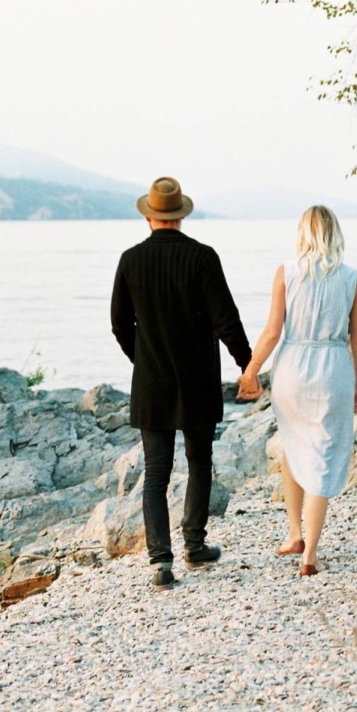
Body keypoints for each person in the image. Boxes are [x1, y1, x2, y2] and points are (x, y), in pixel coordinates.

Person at [110, 175, 253, 589]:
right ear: (180, 216)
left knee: (155, 473)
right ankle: (194, 544)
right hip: (198, 382)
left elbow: (120, 324)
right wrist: (247, 366)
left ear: (149, 217)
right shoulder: (203, 257)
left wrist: (143, 359)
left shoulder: (130, 260)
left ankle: (161, 563)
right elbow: (227, 318)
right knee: (199, 461)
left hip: (151, 383)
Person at [237, 205, 357, 576]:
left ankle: (295, 533)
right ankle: (309, 553)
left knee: (293, 447)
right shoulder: (352, 278)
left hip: (291, 369)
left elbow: (272, 332)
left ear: (302, 235)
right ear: (334, 234)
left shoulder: (286, 273)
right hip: (332, 370)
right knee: (323, 455)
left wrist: (250, 372)